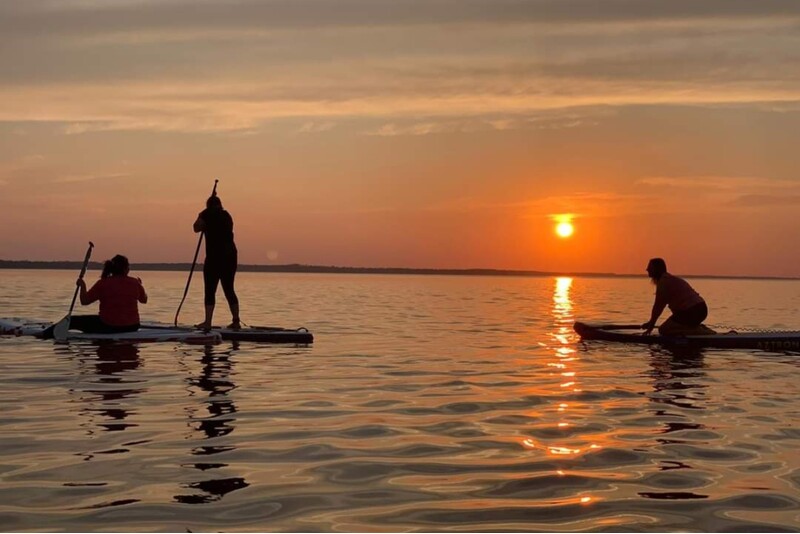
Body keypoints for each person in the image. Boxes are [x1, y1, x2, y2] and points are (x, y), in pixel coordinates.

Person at [40, 255, 147, 338]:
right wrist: (140, 286)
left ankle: (42, 334)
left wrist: (82, 285)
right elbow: (144, 300)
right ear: (125, 269)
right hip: (132, 326)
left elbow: (84, 301)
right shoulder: (135, 282)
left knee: (73, 321)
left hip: (108, 326)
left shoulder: (103, 283)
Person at [193, 193, 240, 330]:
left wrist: (201, 214)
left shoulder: (206, 215)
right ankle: (236, 321)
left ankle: (208, 322)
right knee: (229, 289)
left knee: (210, 290)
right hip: (230, 257)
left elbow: (196, 228)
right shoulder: (227, 215)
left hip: (215, 258)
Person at [642, 258, 708, 336]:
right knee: (670, 327)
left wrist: (651, 326)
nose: (647, 269)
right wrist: (651, 323)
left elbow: (658, 307)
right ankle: (696, 328)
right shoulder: (666, 279)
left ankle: (701, 332)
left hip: (693, 311)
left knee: (664, 330)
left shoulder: (664, 282)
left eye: (650, 267)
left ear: (656, 269)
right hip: (699, 309)